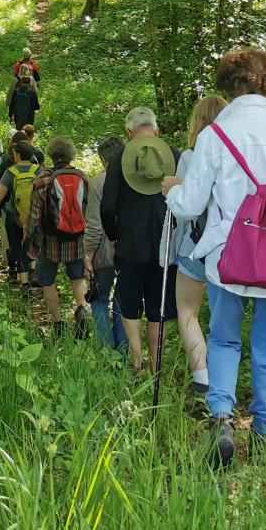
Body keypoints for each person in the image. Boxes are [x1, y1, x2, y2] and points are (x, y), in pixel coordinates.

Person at [163, 49, 266, 470]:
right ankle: (265, 429)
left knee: (225, 340)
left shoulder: (215, 137)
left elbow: (190, 205)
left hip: (226, 263)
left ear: (227, 88)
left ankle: (222, 420)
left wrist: (171, 192)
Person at [159, 94, 227, 402]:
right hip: (231, 245)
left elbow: (184, 211)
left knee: (188, 311)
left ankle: (201, 378)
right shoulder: (236, 153)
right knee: (224, 318)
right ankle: (224, 382)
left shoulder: (191, 155)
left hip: (197, 244)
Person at [101, 107, 178, 372]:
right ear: (156, 130)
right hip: (166, 246)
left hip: (130, 247)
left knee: (130, 303)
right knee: (159, 308)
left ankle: (137, 360)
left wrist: (113, 236)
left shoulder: (120, 159)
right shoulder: (174, 156)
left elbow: (107, 207)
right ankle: (157, 366)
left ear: (129, 132)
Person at [26, 136, 93, 339]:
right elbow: (88, 211)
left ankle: (58, 323)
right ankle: (81, 310)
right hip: (76, 240)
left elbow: (35, 215)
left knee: (47, 282)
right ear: (70, 155)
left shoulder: (43, 180)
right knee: (77, 277)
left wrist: (31, 242)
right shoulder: (82, 177)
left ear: (52, 156)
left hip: (50, 241)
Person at [83, 136, 127, 350]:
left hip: (104, 253)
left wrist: (87, 256)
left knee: (99, 300)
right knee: (123, 302)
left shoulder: (99, 182)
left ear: (103, 159)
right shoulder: (136, 178)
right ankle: (124, 349)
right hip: (131, 251)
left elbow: (94, 224)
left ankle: (105, 348)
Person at [0, 139, 41, 290]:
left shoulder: (10, 172)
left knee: (16, 245)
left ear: (16, 154)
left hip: (14, 215)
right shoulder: (39, 171)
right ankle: (33, 273)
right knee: (33, 243)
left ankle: (23, 283)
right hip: (35, 215)